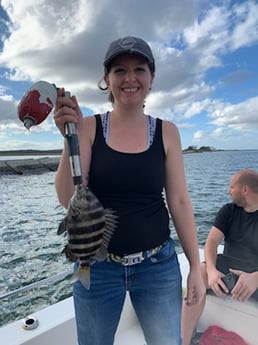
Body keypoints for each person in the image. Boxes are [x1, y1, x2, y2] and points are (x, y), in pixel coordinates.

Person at [54, 36, 205, 345]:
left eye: (139, 69)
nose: (130, 78)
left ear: (151, 78)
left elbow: (178, 201)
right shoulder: (88, 127)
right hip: (97, 267)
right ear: (106, 80)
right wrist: (68, 138)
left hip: (157, 266)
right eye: (120, 70)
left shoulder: (168, 132)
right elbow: (65, 198)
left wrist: (194, 267)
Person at [181, 169, 258, 345]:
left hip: (255, 275)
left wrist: (255, 278)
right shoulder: (228, 211)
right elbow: (212, 243)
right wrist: (211, 270)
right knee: (199, 273)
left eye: (232, 187)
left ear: (244, 190)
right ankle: (183, 341)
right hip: (228, 272)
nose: (228, 191)